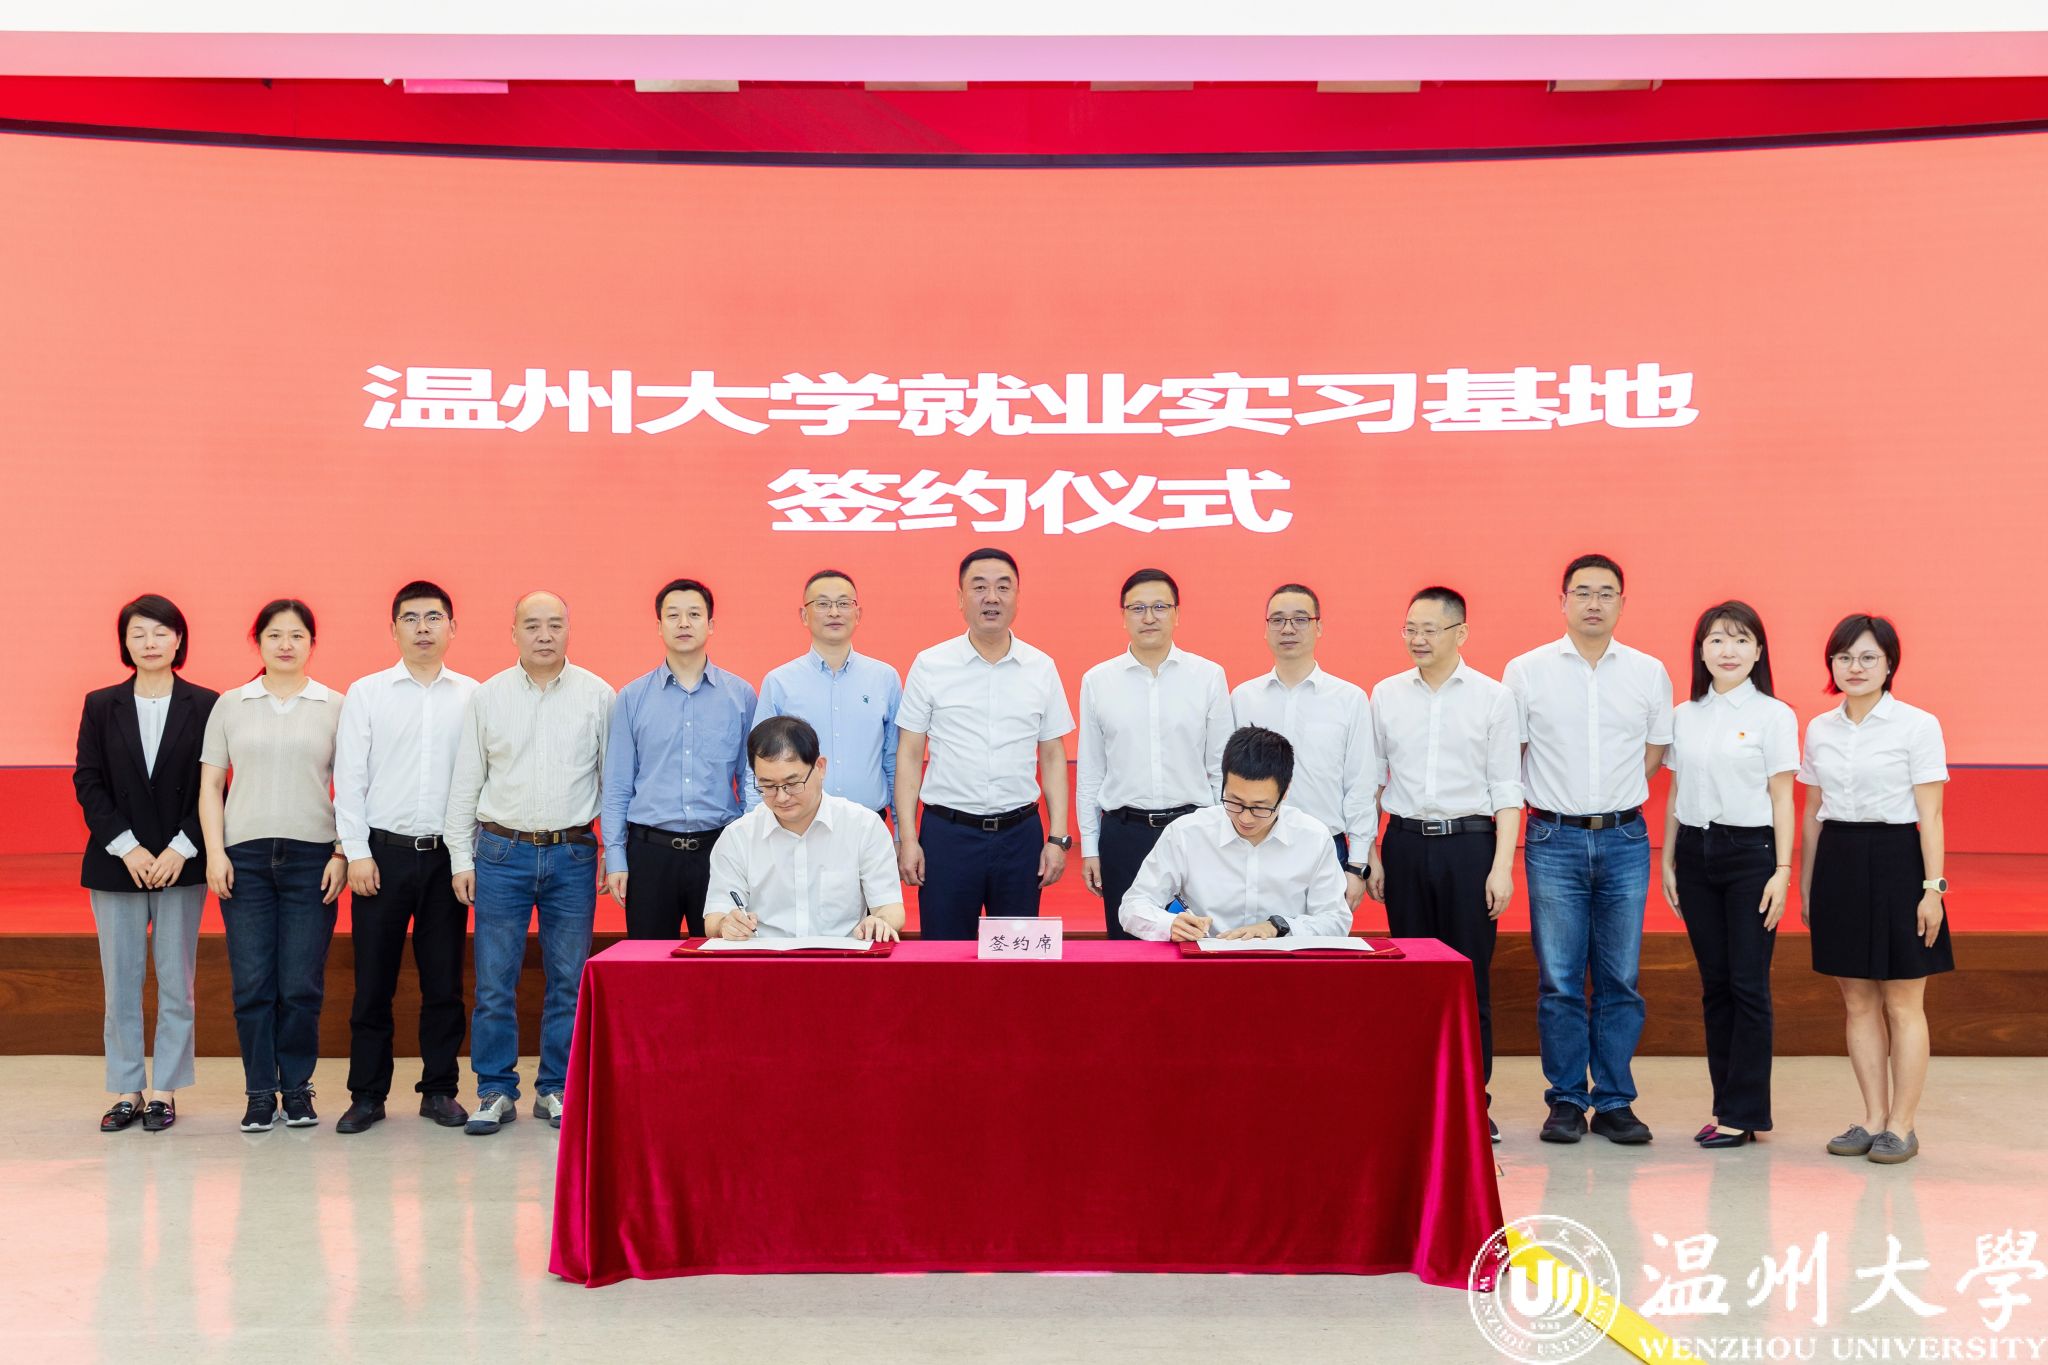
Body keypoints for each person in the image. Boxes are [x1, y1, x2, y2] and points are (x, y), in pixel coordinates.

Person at [1503, 553, 1672, 1145]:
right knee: (1560, 979)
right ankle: (1568, 1099)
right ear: (1563, 601)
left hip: (1625, 838)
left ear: (1622, 603)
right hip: (1553, 839)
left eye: (1605, 593)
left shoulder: (1648, 672)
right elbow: (1512, 753)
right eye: (1582, 592)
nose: (1593, 603)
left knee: (1620, 977)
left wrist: (1613, 799)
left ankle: (1616, 1100)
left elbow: (1654, 751)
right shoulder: (1526, 671)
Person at [445, 591, 615, 1135]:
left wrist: (613, 852)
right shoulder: (488, 696)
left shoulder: (598, 696)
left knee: (568, 979)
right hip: (501, 852)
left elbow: (612, 783)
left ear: (569, 630)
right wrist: (460, 856)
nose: (545, 635)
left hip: (573, 852)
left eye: (555, 624)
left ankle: (556, 1088)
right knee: (495, 981)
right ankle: (494, 1090)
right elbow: (467, 780)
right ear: (513, 632)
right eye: (533, 625)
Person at [1365, 586, 1522, 1143]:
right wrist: (1372, 855)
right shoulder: (1386, 694)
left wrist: (1501, 867)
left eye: (1430, 629)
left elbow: (1507, 788)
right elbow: (1371, 780)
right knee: (1412, 979)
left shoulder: (1493, 698)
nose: (1418, 639)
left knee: (1469, 981)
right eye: (1410, 628)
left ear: (1461, 633)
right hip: (1404, 845)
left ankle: (1472, 1102)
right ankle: (1417, 1100)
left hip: (1470, 847)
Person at [1799, 614, 1951, 1166]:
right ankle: (1871, 1118)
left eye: (1868, 657)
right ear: (1831, 665)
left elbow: (1931, 815)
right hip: (1838, 860)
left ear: (1890, 665)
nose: (1855, 667)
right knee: (1857, 1000)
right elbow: (1812, 813)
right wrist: (1807, 885)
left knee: (1904, 1002)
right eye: (1844, 657)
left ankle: (1902, 1126)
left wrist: (1933, 889)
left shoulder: (1917, 725)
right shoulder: (1820, 728)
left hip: (1898, 861)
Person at [331, 581, 479, 1134]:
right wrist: (357, 852)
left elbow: (477, 781)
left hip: (445, 859)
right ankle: (367, 1095)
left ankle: (439, 1091)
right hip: (382, 857)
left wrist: (464, 858)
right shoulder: (367, 693)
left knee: (444, 984)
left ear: (452, 628)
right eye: (411, 618)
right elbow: (349, 779)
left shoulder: (473, 696)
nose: (422, 628)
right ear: (393, 629)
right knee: (374, 983)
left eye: (433, 617)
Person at [198, 599, 347, 1134]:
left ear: (312, 643)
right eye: (275, 635)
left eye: (297, 635)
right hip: (245, 859)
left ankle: (298, 1089)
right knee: (253, 984)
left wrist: (341, 852)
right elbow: (210, 785)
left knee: (301, 984)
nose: (286, 644)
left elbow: (354, 788)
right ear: (257, 641)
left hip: (313, 858)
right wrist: (216, 852)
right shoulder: (231, 704)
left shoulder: (335, 705)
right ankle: (260, 1092)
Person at [73, 595, 219, 1133]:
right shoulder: (100, 704)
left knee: (177, 982)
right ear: (125, 642)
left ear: (179, 639)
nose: (150, 642)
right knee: (121, 983)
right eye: (139, 633)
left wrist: (181, 847)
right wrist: (126, 846)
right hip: (118, 864)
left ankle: (165, 1090)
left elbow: (213, 783)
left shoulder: (207, 704)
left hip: (181, 862)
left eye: (161, 632)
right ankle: (127, 1088)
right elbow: (88, 781)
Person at [1659, 601, 1799, 1150]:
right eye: (1717, 640)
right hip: (1695, 853)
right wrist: (1668, 859)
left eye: (1741, 640)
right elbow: (1676, 790)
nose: (1728, 651)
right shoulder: (1684, 714)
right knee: (1714, 986)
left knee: (1747, 984)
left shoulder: (1774, 715)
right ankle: (1725, 1108)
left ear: (1759, 651)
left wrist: (1782, 870)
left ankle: (1745, 1113)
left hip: (1751, 856)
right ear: (1701, 650)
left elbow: (1783, 798)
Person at [896, 548, 1075, 940]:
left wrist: (1057, 838)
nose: (991, 597)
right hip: (948, 836)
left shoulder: (1041, 667)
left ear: (1016, 597)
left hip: (1020, 836)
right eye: (979, 587)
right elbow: (908, 755)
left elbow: (1052, 756)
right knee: (944, 955)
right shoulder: (930, 664)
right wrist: (908, 839)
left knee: (1016, 953)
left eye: (1003, 587)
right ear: (961, 598)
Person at [1077, 568, 1231, 939]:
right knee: (1126, 946)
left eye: (1160, 607)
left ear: (1177, 614)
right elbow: (1091, 772)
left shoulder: (1208, 676)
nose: (1149, 617)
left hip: (1192, 830)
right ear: (1123, 616)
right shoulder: (1098, 681)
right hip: (1123, 834)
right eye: (1138, 608)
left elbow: (1220, 769)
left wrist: (1221, 837)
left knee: (1197, 941)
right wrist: (1089, 847)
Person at [602, 578, 756, 939]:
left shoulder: (741, 695)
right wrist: (615, 856)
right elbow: (618, 784)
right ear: (659, 626)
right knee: (648, 962)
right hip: (650, 853)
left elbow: (750, 777)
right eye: (673, 615)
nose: (684, 623)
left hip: (719, 850)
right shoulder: (632, 697)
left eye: (694, 614)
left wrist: (749, 846)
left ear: (711, 624)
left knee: (722, 958)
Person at [1117, 726, 1352, 941]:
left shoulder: (1313, 837)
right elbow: (1133, 905)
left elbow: (1336, 920)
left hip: (1282, 965)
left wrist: (1278, 927)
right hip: (1206, 963)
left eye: (1260, 807)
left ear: (1285, 791)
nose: (1245, 818)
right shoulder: (1186, 833)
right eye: (1234, 801)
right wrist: (1169, 924)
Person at [1229, 583, 1376, 912]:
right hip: (1253, 845)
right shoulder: (1243, 698)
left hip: (1325, 848)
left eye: (1300, 619)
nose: (1288, 629)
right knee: (1252, 940)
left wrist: (1356, 866)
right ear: (1266, 629)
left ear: (1318, 627)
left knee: (1322, 943)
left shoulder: (1349, 699)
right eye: (1278, 620)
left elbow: (1360, 785)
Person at [704, 717, 906, 942]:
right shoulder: (738, 836)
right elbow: (715, 916)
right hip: (764, 959)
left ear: (820, 767)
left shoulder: (863, 826)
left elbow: (890, 907)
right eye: (768, 786)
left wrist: (880, 921)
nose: (782, 797)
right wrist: (725, 924)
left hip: (841, 958)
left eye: (792, 783)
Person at [752, 568, 901, 828]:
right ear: (804, 615)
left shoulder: (885, 678)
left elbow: (894, 761)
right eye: (822, 604)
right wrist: (756, 829)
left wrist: (901, 832)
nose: (834, 612)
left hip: (869, 825)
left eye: (843, 603)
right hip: (799, 825)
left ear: (858, 614)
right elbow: (757, 764)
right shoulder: (779, 682)